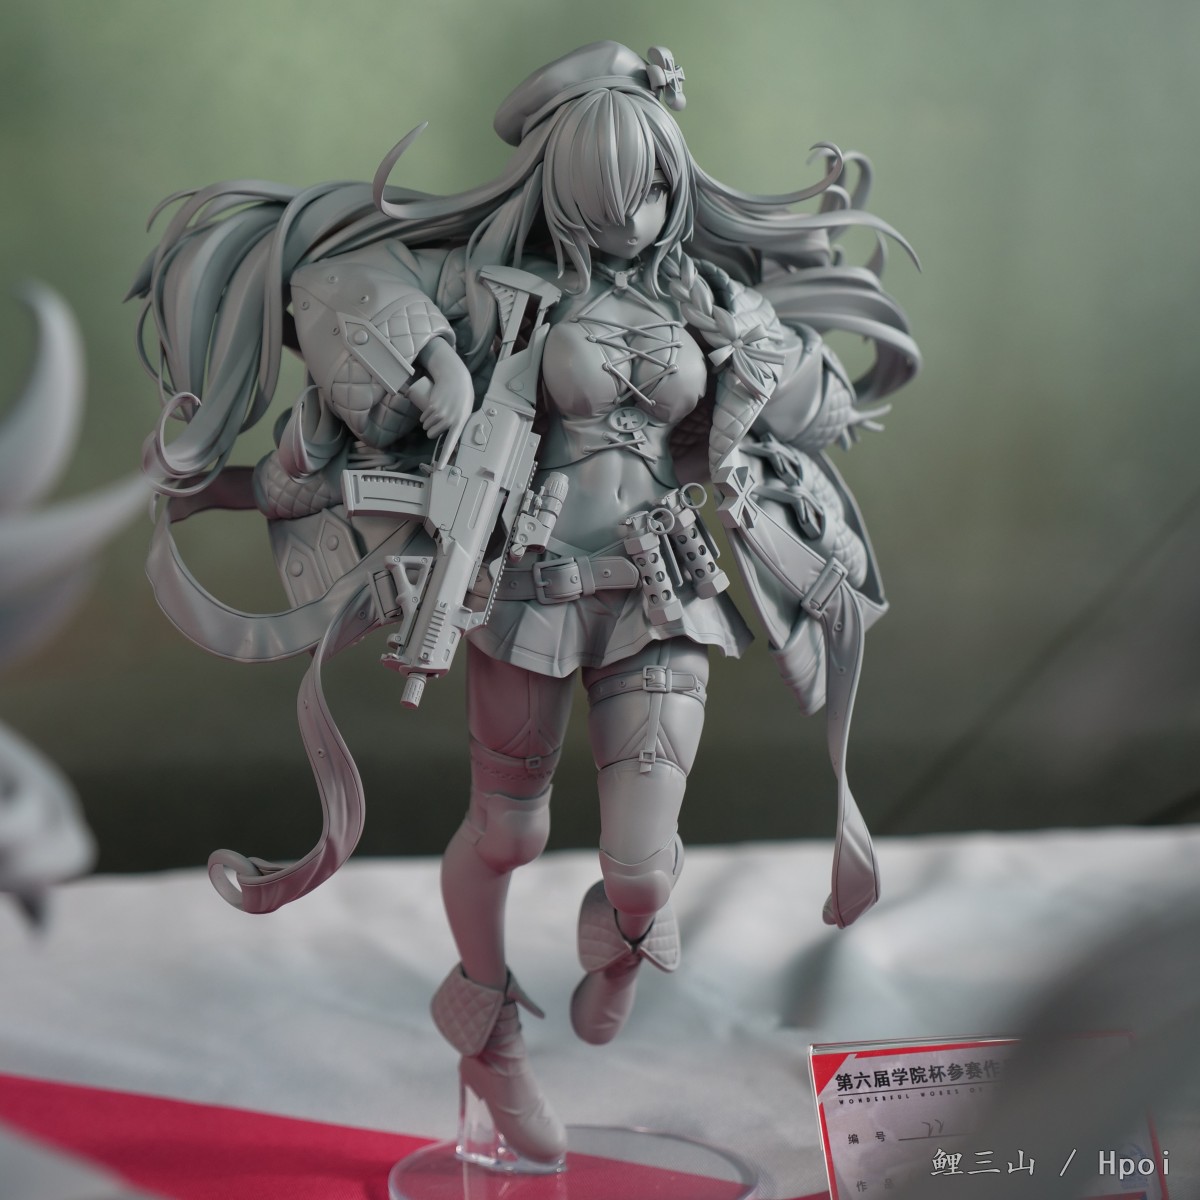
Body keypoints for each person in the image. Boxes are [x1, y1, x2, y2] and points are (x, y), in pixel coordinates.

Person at [134, 41, 919, 1167]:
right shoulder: (493, 292)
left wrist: (747, 339)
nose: (633, 216)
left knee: (643, 867)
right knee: (510, 832)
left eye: (651, 188)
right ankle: (489, 1035)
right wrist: (429, 369)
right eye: (603, 194)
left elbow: (822, 407)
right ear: (555, 187)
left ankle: (624, 945)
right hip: (529, 591)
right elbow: (336, 283)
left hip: (663, 595)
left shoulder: (705, 294)